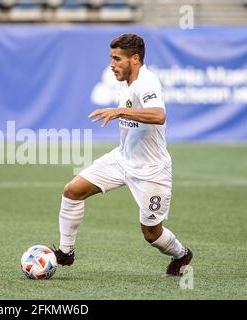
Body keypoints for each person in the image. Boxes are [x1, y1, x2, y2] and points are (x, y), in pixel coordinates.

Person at [52, 34, 192, 277]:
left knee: (151, 233)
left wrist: (120, 112)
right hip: (121, 159)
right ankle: (65, 252)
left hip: (151, 171)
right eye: (111, 58)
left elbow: (158, 115)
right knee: (72, 191)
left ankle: (182, 254)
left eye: (117, 59)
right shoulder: (126, 82)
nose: (112, 64)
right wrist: (122, 112)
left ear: (135, 59)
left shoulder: (147, 82)